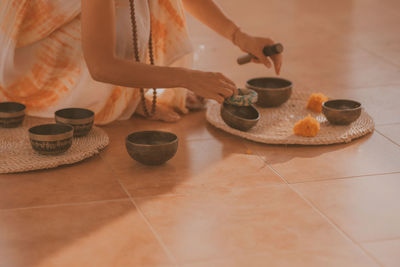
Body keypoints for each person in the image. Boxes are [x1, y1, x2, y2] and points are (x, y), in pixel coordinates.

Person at [0, 0, 282, 124]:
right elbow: (101, 66)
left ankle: (130, 93)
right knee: (128, 15)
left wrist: (241, 37)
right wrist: (186, 77)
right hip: (42, 74)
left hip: (91, 46)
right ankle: (113, 98)